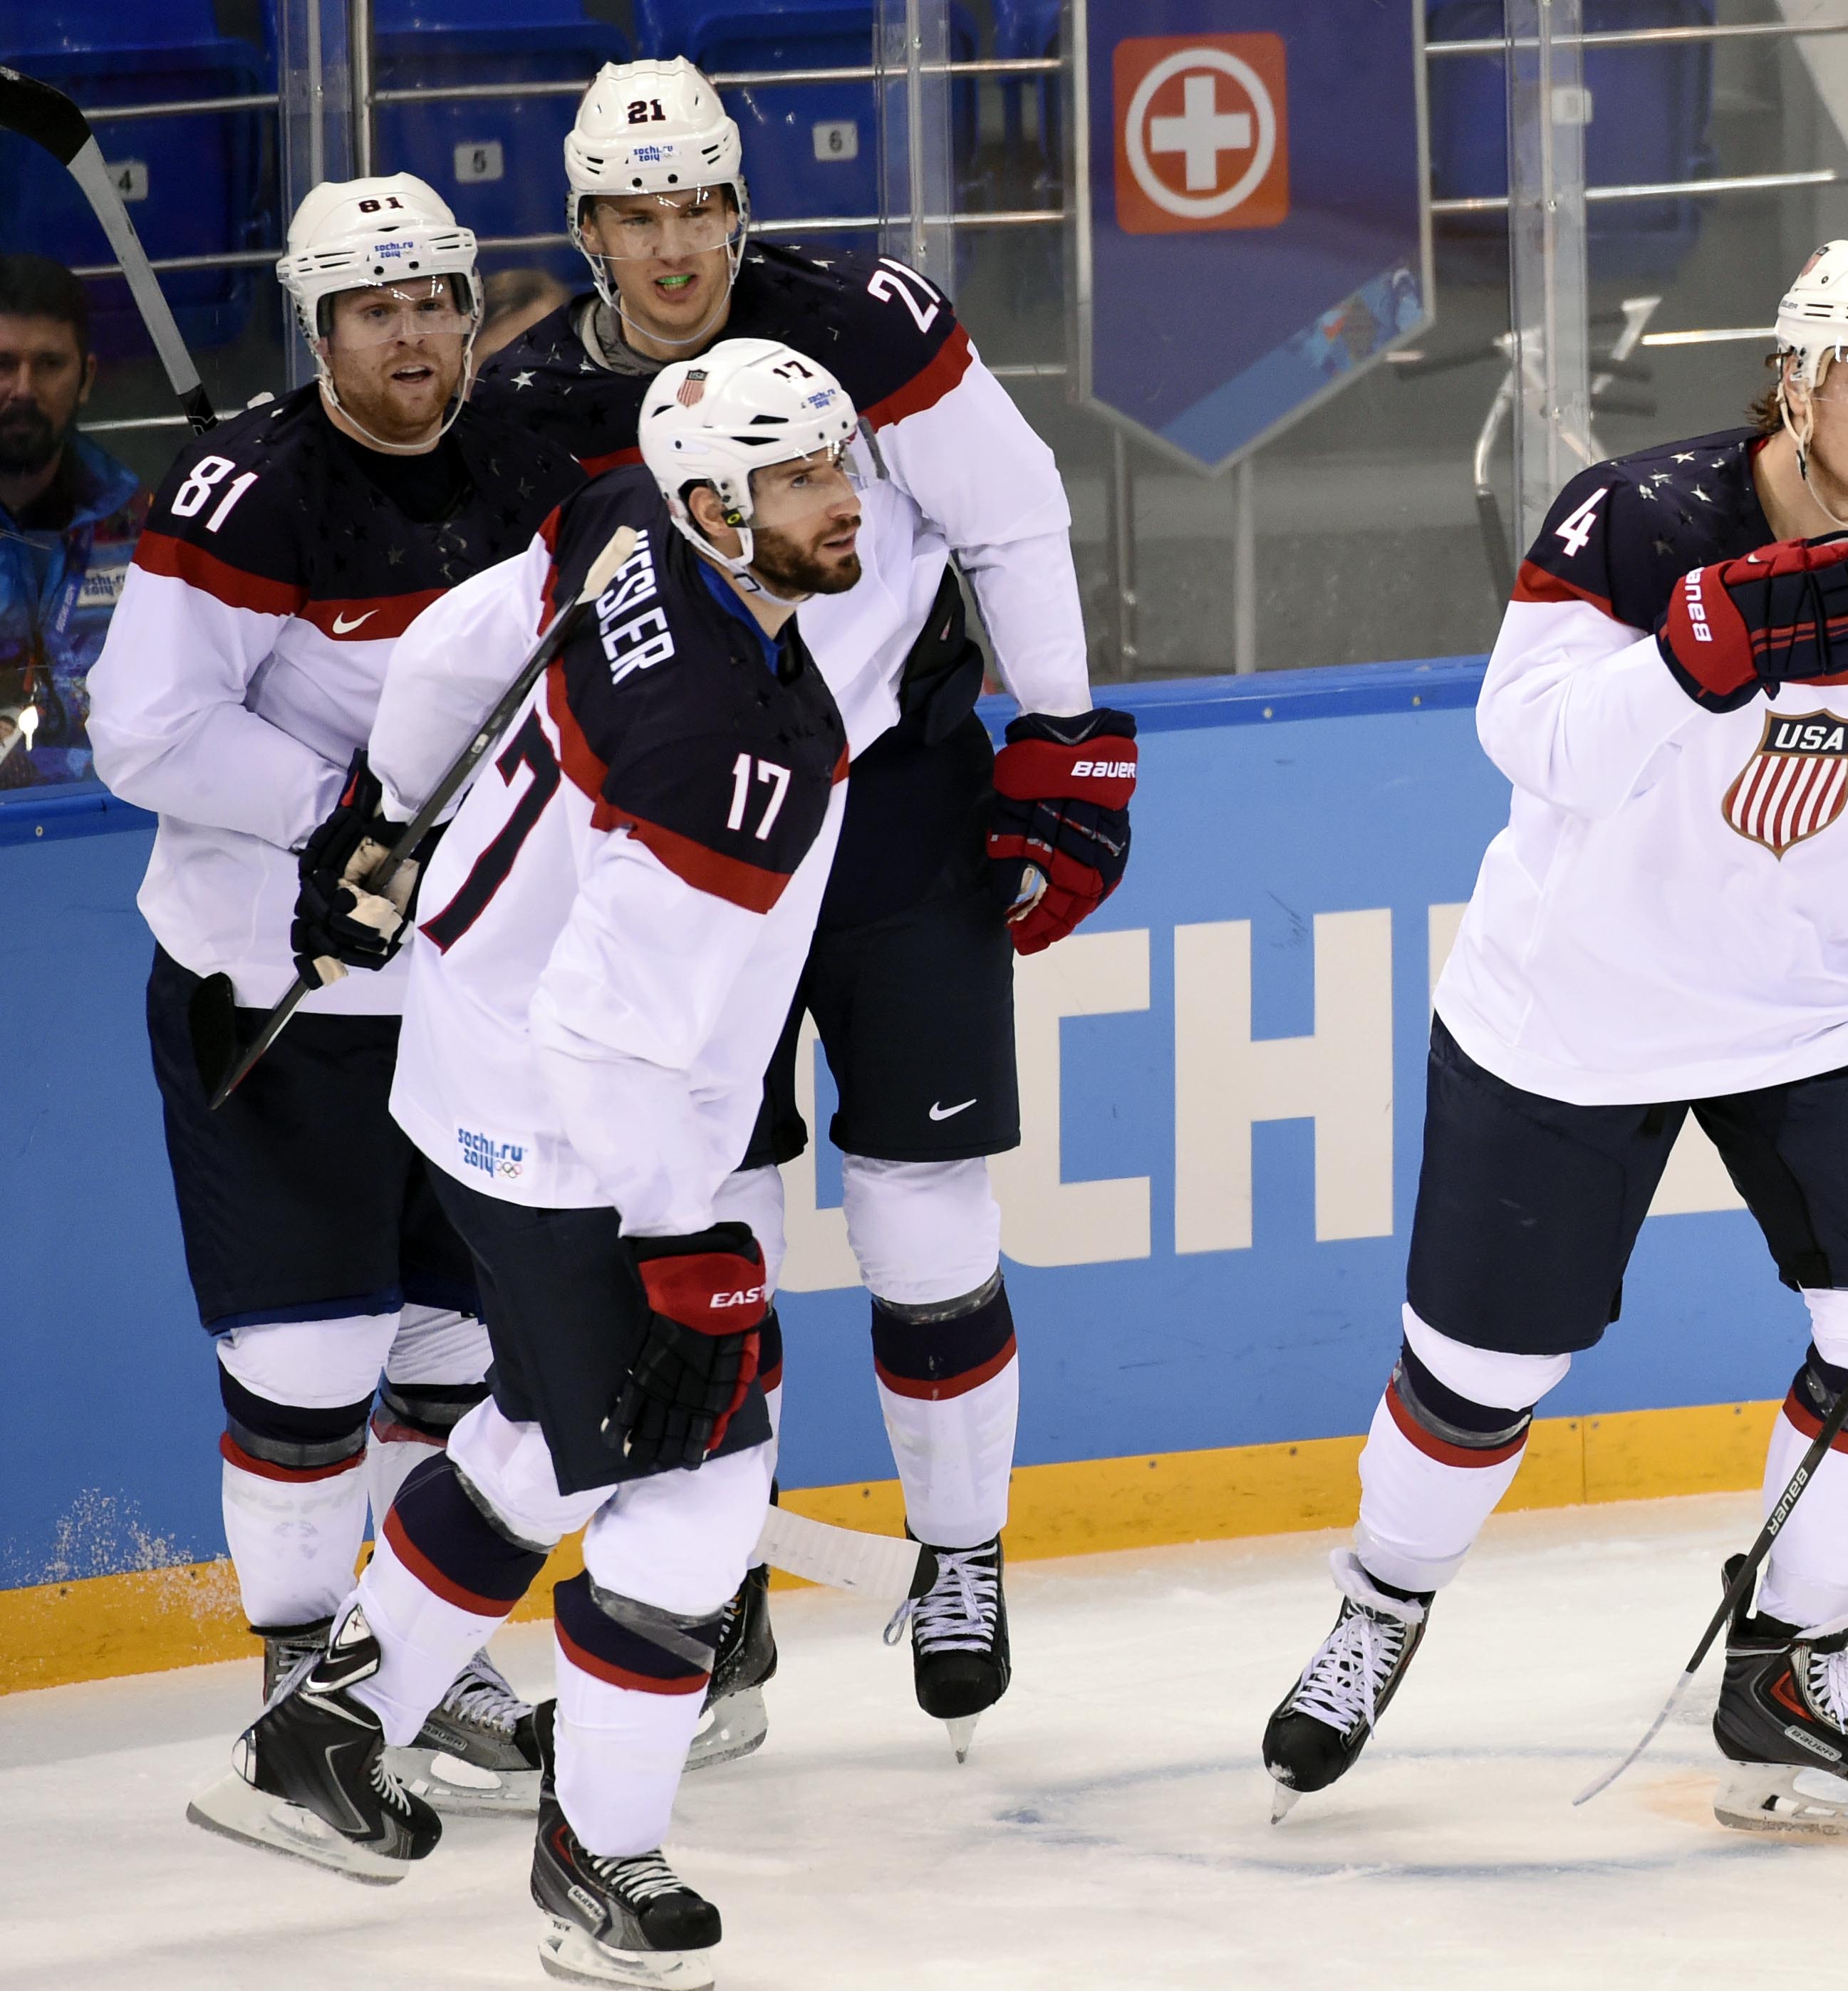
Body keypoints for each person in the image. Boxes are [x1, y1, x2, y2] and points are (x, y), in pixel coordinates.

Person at [1255, 243, 1848, 1839]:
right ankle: (1381, 1601)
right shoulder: (1641, 520)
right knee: (1479, 1374)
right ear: (1792, 380)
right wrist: (1689, 658)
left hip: (1823, 1004)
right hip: (1573, 1012)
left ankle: (1790, 1656)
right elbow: (1524, 741)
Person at [476, 56, 1136, 1762]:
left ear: (737, 208)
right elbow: (521, 645)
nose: (674, 242)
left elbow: (1015, 513)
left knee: (925, 1214)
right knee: (716, 1231)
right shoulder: (537, 394)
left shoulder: (865, 321)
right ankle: (715, 1599)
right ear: (587, 224)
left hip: (894, 810)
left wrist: (1059, 738)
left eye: (699, 204)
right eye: (637, 213)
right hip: (697, 853)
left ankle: (961, 1548)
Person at [194, 339, 869, 1988]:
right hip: (581, 1136)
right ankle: (600, 1857)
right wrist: (675, 1244)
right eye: (803, 481)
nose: (845, 498)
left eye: (843, 459)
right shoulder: (729, 748)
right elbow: (610, 1025)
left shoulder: (626, 516)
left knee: (548, 1433)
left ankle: (331, 1727)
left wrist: (393, 820)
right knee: (696, 1482)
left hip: (470, 1065)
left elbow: (449, 647)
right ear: (720, 505)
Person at [85, 177, 585, 1824]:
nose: (417, 336)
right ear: (321, 332)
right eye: (377, 313)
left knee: (451, 1344)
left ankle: (409, 1664)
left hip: (459, 992)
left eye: (437, 300)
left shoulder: (517, 456)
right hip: (277, 989)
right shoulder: (246, 495)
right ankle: (297, 1688)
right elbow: (143, 728)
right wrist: (342, 813)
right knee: (311, 1358)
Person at [0, 253, 147, 789]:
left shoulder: (146, 531)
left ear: (85, 377)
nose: (22, 388)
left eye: (48, 364)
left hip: (114, 828)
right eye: (2, 364)